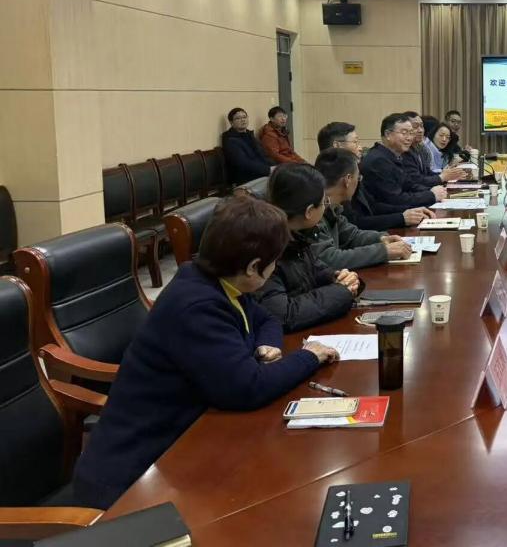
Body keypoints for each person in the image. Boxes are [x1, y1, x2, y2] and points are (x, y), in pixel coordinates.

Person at [72, 196, 340, 509]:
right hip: (136, 476)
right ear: (253, 267)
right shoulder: (197, 306)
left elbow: (266, 319)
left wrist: (266, 344)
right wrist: (309, 356)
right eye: (274, 262)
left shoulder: (219, 282)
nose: (275, 267)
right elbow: (248, 388)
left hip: (186, 445)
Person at [256, 163, 363, 332]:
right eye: (323, 202)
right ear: (308, 212)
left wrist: (340, 278)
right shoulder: (266, 246)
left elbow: (318, 270)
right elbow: (284, 315)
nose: (325, 207)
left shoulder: (297, 237)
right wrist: (341, 292)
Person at [317, 122, 433, 229]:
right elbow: (354, 223)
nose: (360, 148)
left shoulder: (352, 171)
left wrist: (409, 212)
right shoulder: (330, 181)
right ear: (337, 145)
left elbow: (372, 205)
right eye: (355, 142)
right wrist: (401, 218)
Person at [312, 147, 413, 268]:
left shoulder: (333, 206)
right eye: (358, 178)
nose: (358, 182)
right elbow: (330, 259)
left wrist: (381, 238)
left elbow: (351, 235)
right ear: (347, 180)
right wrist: (383, 251)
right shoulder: (314, 209)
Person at [361, 113, 446, 209]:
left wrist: (431, 190)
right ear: (388, 134)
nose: (409, 138)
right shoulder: (378, 160)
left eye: (411, 133)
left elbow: (409, 185)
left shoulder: (394, 155)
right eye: (404, 133)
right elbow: (395, 199)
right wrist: (430, 195)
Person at [402, 111, 468, 186]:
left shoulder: (419, 148)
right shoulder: (407, 151)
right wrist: (442, 177)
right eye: (415, 126)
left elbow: (427, 173)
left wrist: (449, 174)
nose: (420, 130)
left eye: (422, 126)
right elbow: (416, 181)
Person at [222, 107, 272, 184]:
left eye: (244, 117)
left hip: (262, 173)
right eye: (238, 118)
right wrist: (268, 170)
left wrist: (275, 167)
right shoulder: (230, 140)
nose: (243, 120)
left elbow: (263, 155)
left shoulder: (249, 135)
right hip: (246, 178)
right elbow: (244, 163)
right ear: (231, 122)